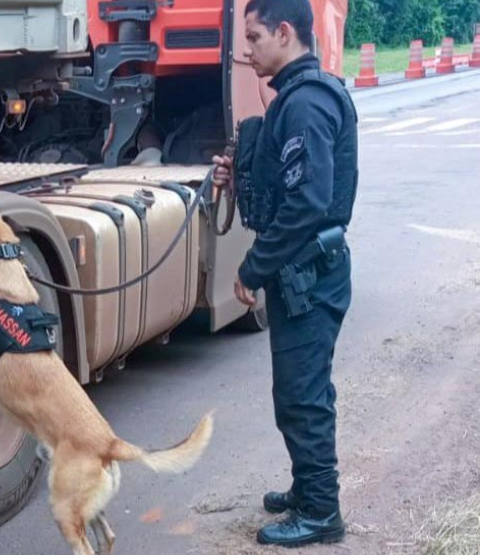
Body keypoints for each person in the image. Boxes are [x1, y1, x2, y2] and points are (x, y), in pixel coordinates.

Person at [212, 0, 358, 547]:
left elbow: (308, 203)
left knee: (303, 396)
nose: (246, 51)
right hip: (305, 273)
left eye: (253, 37)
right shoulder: (297, 98)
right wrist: (241, 174)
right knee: (297, 392)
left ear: (284, 31)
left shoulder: (306, 104)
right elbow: (286, 181)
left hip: (310, 276)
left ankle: (322, 511)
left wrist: (252, 268)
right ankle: (308, 490)